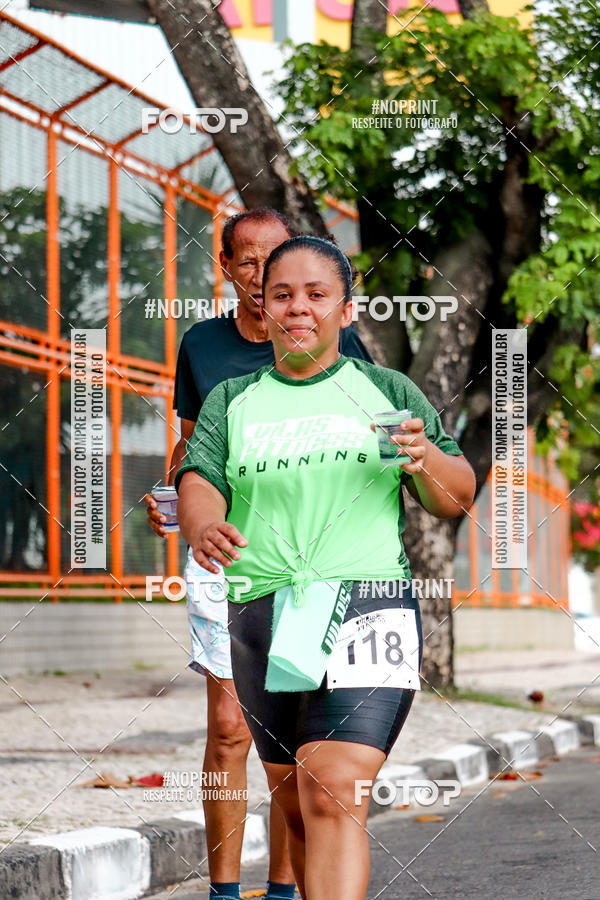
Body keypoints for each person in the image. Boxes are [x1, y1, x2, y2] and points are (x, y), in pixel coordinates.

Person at [176, 235, 476, 899]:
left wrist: (426, 458)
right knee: (295, 806)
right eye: (282, 294)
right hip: (261, 612)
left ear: (346, 310)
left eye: (318, 294)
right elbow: (199, 477)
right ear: (264, 304)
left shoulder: (384, 390)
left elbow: (455, 495)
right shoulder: (233, 399)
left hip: (369, 605)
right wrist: (201, 523)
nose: (298, 307)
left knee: (333, 788)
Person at [144, 210, 372, 900]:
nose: (260, 273)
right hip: (223, 553)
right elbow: (192, 445)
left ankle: (278, 888)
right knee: (226, 728)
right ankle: (221, 891)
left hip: (304, 558)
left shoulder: (338, 340)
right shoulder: (202, 345)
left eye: (273, 259)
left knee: (285, 736)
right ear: (227, 267)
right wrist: (174, 497)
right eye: (246, 261)